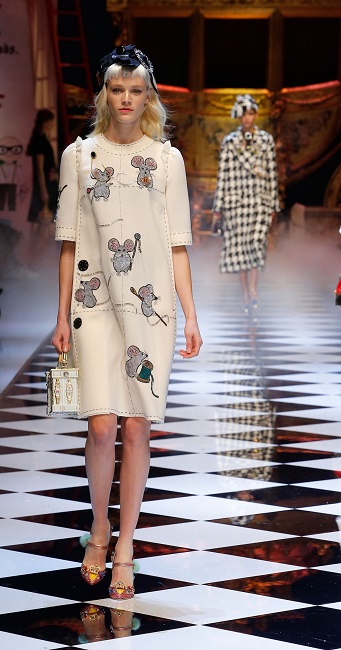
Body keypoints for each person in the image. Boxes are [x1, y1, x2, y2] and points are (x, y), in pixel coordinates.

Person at [52, 44, 203, 600]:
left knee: (138, 426)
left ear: (148, 97)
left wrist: (191, 315)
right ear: (104, 94)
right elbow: (68, 242)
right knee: (100, 425)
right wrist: (60, 313)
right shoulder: (78, 156)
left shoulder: (167, 160)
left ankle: (126, 546)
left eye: (136, 91)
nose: (126, 99)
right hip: (91, 304)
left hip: (150, 306)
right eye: (117, 90)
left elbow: (178, 244)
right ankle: (99, 527)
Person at [212, 94, 280, 314]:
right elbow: (223, 176)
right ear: (239, 116)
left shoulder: (266, 140)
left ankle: (253, 289)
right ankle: (245, 292)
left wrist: (273, 205)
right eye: (244, 114)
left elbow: (272, 173)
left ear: (256, 115)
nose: (248, 118)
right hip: (236, 203)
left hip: (259, 201)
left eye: (251, 114)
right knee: (240, 249)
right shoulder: (230, 142)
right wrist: (218, 208)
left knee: (257, 245)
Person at [26, 109, 58, 227]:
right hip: (45, 186)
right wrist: (43, 191)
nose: (53, 124)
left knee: (47, 221)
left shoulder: (44, 140)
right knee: (43, 220)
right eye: (51, 121)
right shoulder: (40, 141)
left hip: (50, 184)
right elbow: (39, 168)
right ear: (45, 122)